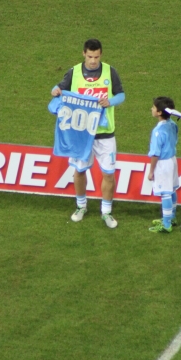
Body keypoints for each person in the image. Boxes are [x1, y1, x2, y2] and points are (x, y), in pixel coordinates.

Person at [51, 39, 125, 228]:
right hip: (81, 133)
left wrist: (110, 101)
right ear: (84, 53)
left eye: (96, 57)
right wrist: (55, 90)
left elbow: (121, 95)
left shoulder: (110, 71)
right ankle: (81, 206)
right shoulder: (74, 72)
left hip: (105, 133)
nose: (93, 61)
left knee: (109, 174)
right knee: (80, 170)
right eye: (90, 56)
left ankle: (106, 212)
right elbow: (58, 88)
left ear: (101, 55)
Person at [147, 97, 179, 233]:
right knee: (172, 190)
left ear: (159, 112)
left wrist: (151, 171)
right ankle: (172, 217)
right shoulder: (172, 124)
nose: (151, 109)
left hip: (163, 164)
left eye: (154, 107)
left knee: (165, 193)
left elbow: (155, 154)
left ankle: (166, 224)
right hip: (173, 160)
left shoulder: (158, 131)